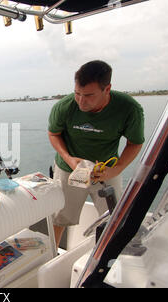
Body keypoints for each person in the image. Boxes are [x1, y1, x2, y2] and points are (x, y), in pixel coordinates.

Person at [47, 60, 145, 247]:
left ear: (107, 89)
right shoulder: (65, 106)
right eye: (77, 93)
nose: (81, 101)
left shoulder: (129, 109)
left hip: (106, 171)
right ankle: (51, 259)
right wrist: (69, 158)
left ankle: (109, 258)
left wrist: (116, 170)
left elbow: (135, 143)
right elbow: (53, 133)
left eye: (89, 95)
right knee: (60, 218)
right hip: (69, 169)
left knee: (115, 219)